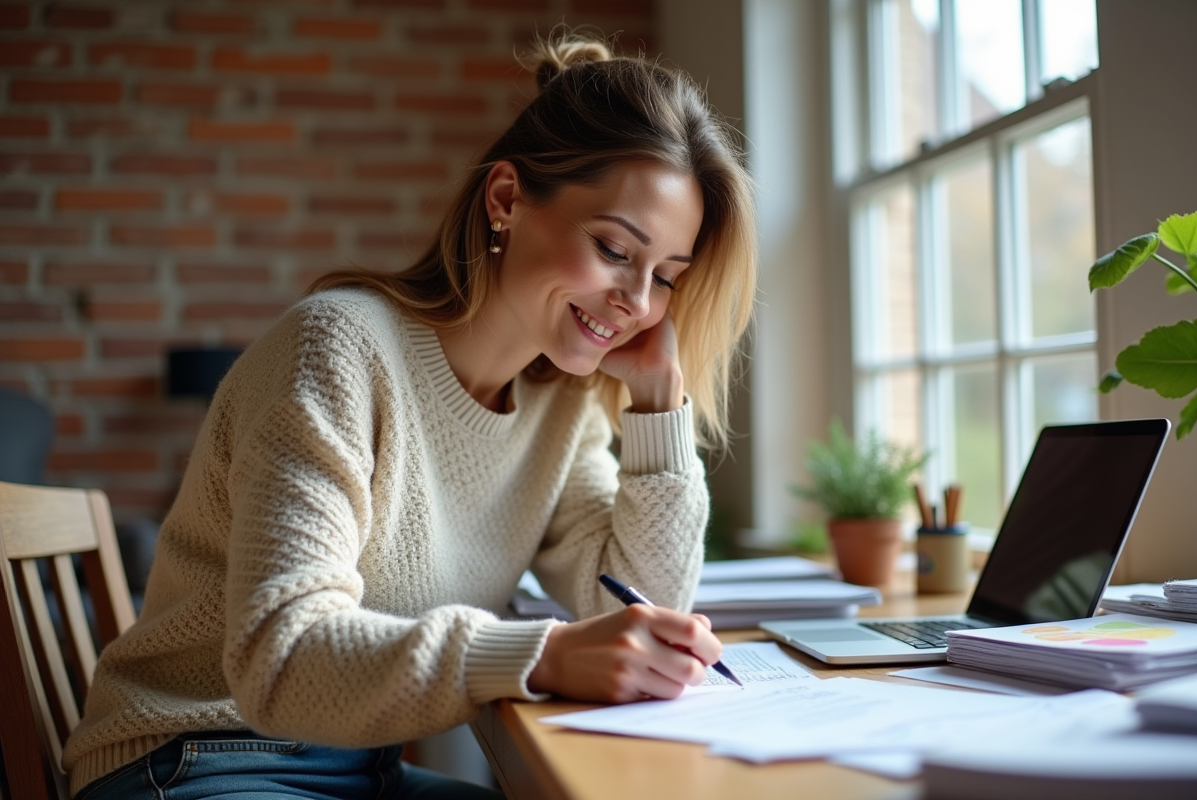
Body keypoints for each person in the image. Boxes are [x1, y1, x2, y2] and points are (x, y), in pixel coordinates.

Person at [64, 28, 757, 800]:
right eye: (615, 250)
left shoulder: (560, 407)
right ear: (505, 200)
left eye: (666, 277)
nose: (637, 302)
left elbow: (638, 603)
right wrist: (546, 655)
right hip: (197, 758)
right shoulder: (337, 349)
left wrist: (660, 400)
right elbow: (279, 657)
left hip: (360, 769)